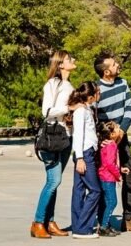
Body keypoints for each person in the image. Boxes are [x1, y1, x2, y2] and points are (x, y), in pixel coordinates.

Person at [93, 52, 131, 232]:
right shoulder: (96, 90)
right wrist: (104, 138)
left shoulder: (123, 83)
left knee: (130, 175)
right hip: (104, 143)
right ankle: (102, 220)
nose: (118, 65)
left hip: (122, 138)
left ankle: (128, 219)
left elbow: (130, 108)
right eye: (114, 64)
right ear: (106, 72)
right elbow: (94, 118)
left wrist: (121, 131)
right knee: (103, 179)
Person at [31, 50, 76, 239]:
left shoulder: (69, 85)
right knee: (53, 181)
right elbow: (47, 111)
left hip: (66, 137)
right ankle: (38, 222)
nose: (73, 60)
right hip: (51, 136)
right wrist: (69, 108)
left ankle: (49, 221)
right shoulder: (53, 84)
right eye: (69, 59)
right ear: (60, 65)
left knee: (55, 183)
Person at [69, 81, 102, 240]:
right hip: (85, 154)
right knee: (95, 190)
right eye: (97, 92)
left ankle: (78, 226)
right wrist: (80, 158)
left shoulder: (87, 109)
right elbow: (78, 135)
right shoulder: (81, 111)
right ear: (90, 96)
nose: (99, 95)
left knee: (79, 190)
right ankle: (83, 228)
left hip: (86, 152)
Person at [95, 121, 127, 237]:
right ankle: (103, 227)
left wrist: (120, 169)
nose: (120, 130)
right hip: (108, 178)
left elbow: (107, 161)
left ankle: (105, 225)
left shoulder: (106, 143)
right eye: (118, 128)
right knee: (112, 202)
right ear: (113, 134)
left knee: (106, 202)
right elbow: (109, 163)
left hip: (103, 176)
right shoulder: (112, 145)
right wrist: (118, 175)